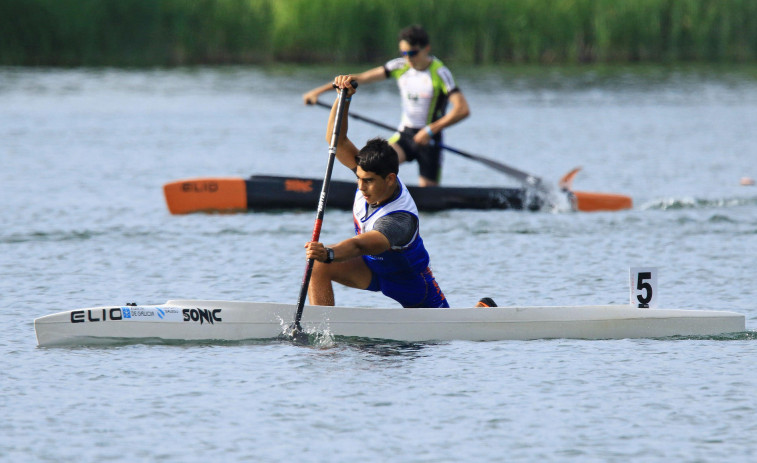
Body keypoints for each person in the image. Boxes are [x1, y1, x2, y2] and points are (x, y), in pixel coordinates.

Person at [304, 76, 449, 308]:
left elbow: (360, 245)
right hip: (371, 269)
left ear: (390, 179)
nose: (361, 187)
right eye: (359, 178)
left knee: (324, 258)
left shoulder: (399, 219)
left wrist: (329, 252)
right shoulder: (369, 173)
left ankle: (483, 310)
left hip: (411, 284)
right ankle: (322, 334)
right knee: (318, 266)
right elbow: (337, 141)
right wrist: (343, 98)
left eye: (369, 181)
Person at [302, 24, 470, 187]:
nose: (408, 58)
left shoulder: (440, 72)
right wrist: (317, 92)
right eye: (404, 52)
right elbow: (359, 78)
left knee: (429, 195)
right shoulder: (399, 66)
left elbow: (462, 110)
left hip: (430, 139)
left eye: (412, 53)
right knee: (370, 171)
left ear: (426, 48)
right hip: (406, 135)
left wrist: (430, 130)